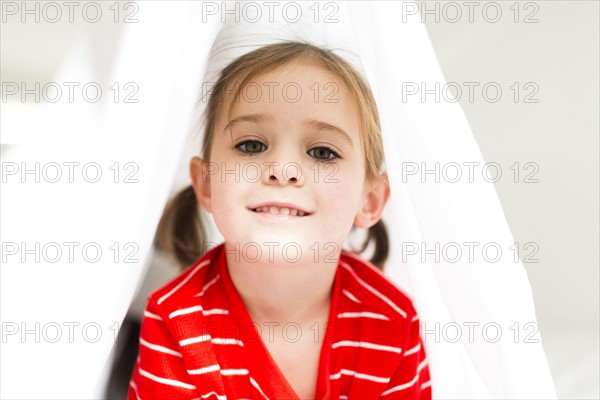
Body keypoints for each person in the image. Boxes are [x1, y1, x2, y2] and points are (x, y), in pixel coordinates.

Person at [128, 41, 431, 400]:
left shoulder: (393, 323)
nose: (283, 170)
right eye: (252, 145)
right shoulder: (176, 322)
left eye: (322, 152)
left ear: (369, 200)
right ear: (207, 184)